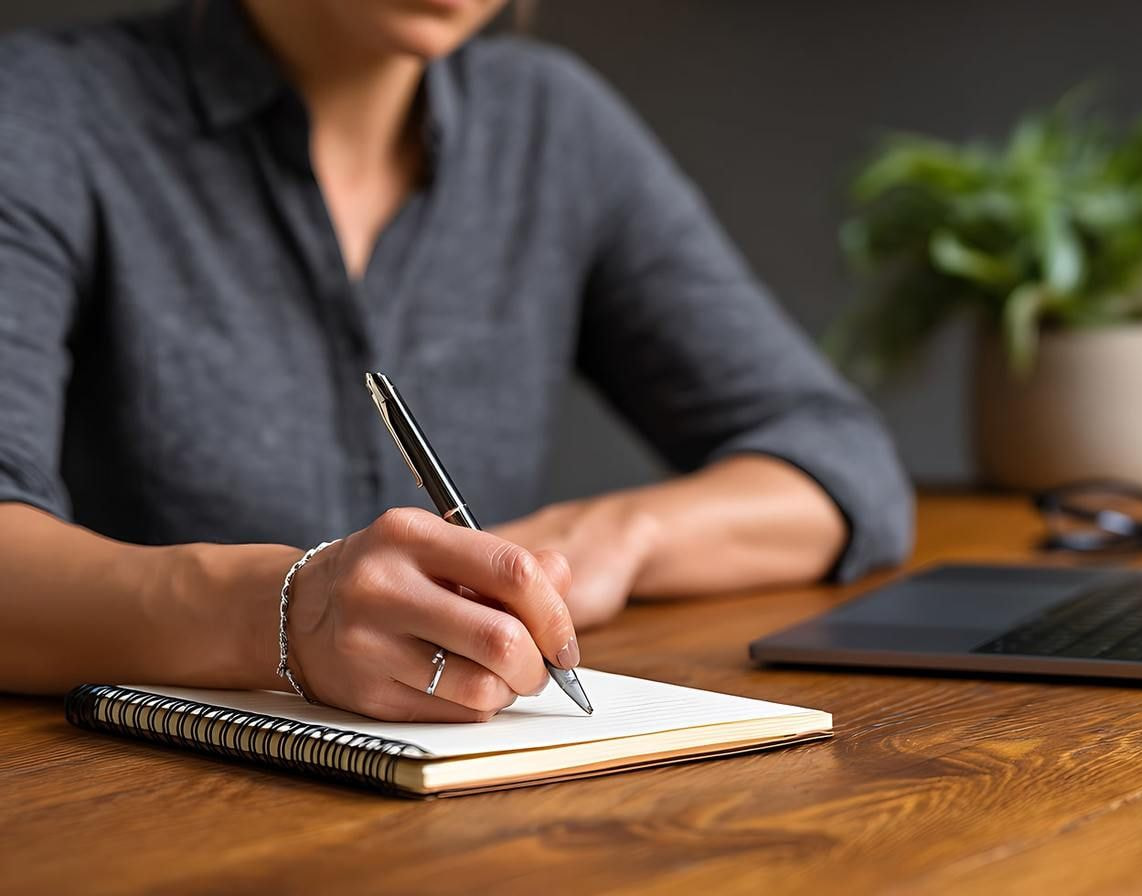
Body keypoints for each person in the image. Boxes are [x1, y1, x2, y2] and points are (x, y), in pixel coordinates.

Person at [0, 0, 912, 721]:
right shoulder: (44, 115)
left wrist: (610, 539)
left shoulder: (551, 127)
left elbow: (835, 461)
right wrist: (286, 614)